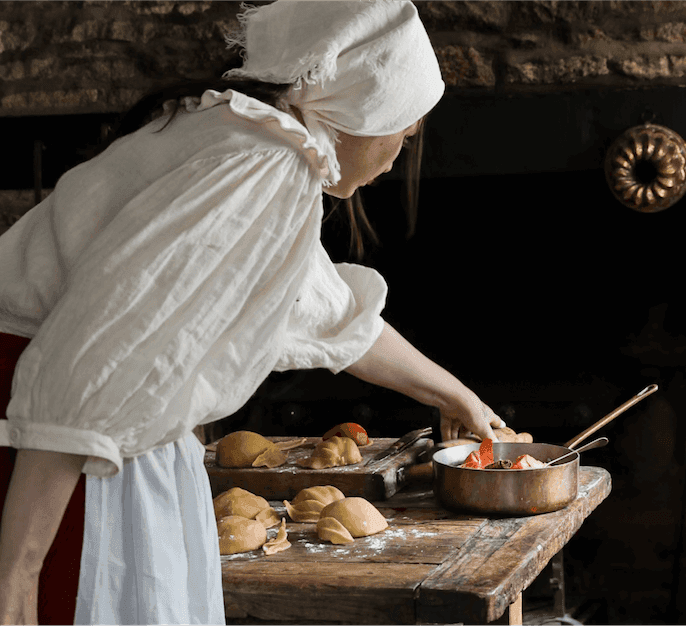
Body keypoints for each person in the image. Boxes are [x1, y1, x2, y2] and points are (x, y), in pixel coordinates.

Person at [0, 1, 505, 624]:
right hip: (59, 452)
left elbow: (327, 312)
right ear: (359, 111)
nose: (398, 155)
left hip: (90, 437)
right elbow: (83, 371)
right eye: (404, 132)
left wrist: (456, 396)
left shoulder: (246, 138)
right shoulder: (261, 165)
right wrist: (17, 571)